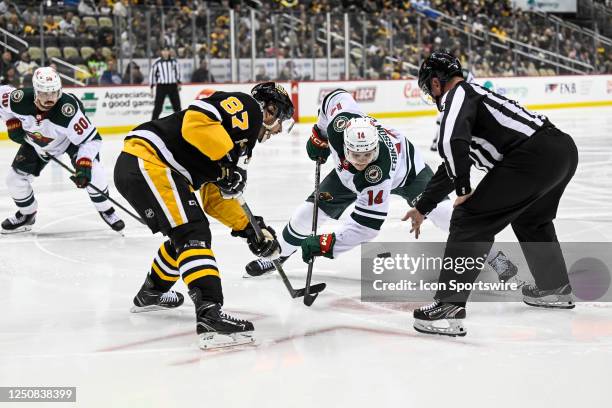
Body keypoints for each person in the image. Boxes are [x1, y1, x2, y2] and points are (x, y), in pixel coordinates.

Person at [245, 89, 517, 284]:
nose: (363, 161)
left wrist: (327, 244)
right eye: (357, 155)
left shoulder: (376, 174)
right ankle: (278, 254)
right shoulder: (341, 125)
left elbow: (366, 228)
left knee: (445, 214)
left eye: (367, 156)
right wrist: (320, 133)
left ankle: (494, 256)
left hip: (408, 173)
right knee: (307, 214)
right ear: (344, 144)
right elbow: (333, 97)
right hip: (344, 175)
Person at [405, 51, 578, 337]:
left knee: (469, 220)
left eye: (429, 88)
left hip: (532, 156)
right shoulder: (474, 100)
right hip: (560, 151)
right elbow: (452, 163)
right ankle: (554, 288)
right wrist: (423, 206)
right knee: (531, 220)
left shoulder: (458, 94)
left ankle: (449, 306)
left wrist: (463, 189)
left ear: (436, 84)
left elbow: (451, 142)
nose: (431, 94)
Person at [113, 82, 294, 349]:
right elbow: (194, 123)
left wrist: (251, 229)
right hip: (149, 161)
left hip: (152, 167)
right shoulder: (248, 109)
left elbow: (215, 199)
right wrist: (224, 164)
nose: (278, 129)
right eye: (281, 119)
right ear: (269, 110)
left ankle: (152, 292)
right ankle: (209, 312)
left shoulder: (240, 143)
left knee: (186, 234)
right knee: (192, 232)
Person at [0, 67, 125, 234]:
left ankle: (106, 210)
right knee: (14, 179)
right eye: (44, 93)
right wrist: (11, 121)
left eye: (54, 92)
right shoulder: (19, 99)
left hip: (69, 142)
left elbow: (92, 140)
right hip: (36, 142)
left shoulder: (68, 110)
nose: (50, 98)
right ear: (36, 91)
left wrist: (84, 164)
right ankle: (27, 215)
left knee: (94, 173)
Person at [149, 47, 181, 120]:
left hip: (172, 86)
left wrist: (179, 83)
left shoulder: (174, 62)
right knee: (158, 107)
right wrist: (151, 88)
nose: (165, 52)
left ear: (169, 52)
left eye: (167, 51)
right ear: (161, 52)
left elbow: (177, 73)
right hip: (161, 86)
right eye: (164, 51)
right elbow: (152, 74)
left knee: (177, 107)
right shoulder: (157, 62)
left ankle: (180, 124)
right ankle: (153, 124)